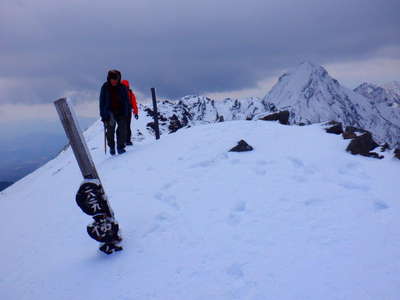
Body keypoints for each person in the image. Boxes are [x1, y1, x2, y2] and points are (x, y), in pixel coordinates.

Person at [99, 70, 131, 155]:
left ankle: (120, 147)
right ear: (109, 79)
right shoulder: (105, 87)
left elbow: (126, 101)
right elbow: (102, 102)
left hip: (120, 111)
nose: (114, 81)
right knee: (110, 130)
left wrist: (126, 112)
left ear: (119, 79)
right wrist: (103, 115)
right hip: (109, 111)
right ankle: (112, 147)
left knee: (122, 129)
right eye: (112, 79)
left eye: (115, 79)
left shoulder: (123, 87)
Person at [121, 79, 139, 146]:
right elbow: (134, 104)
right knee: (127, 126)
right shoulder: (131, 93)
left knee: (122, 127)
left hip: (121, 112)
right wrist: (136, 113)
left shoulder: (119, 93)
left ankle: (122, 141)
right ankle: (127, 141)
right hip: (128, 112)